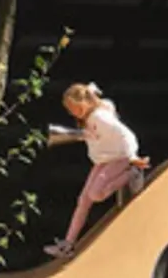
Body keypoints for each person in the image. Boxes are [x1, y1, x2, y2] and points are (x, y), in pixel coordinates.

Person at [45, 82, 145, 259]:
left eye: (73, 108)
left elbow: (125, 134)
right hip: (104, 160)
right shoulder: (92, 115)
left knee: (96, 194)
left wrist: (132, 157)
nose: (71, 112)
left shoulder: (100, 117)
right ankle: (68, 245)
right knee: (83, 200)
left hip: (119, 158)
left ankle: (132, 173)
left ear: (83, 103)